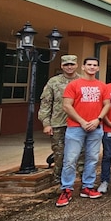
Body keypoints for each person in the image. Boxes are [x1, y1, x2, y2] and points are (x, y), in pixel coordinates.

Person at [56, 57, 110, 207]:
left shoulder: (102, 86)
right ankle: (66, 189)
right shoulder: (74, 85)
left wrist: (98, 119)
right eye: (89, 65)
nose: (92, 67)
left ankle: (87, 186)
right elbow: (67, 106)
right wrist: (81, 121)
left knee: (92, 158)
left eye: (95, 65)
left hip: (95, 127)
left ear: (98, 68)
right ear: (83, 67)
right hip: (75, 127)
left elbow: (107, 105)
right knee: (70, 159)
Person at [39, 54, 80, 182]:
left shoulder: (82, 81)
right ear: (62, 66)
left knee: (79, 153)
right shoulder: (54, 82)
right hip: (58, 123)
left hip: (77, 123)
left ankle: (76, 179)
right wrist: (46, 123)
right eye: (66, 65)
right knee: (59, 153)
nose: (69, 67)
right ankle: (58, 180)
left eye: (72, 64)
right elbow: (46, 102)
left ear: (76, 65)